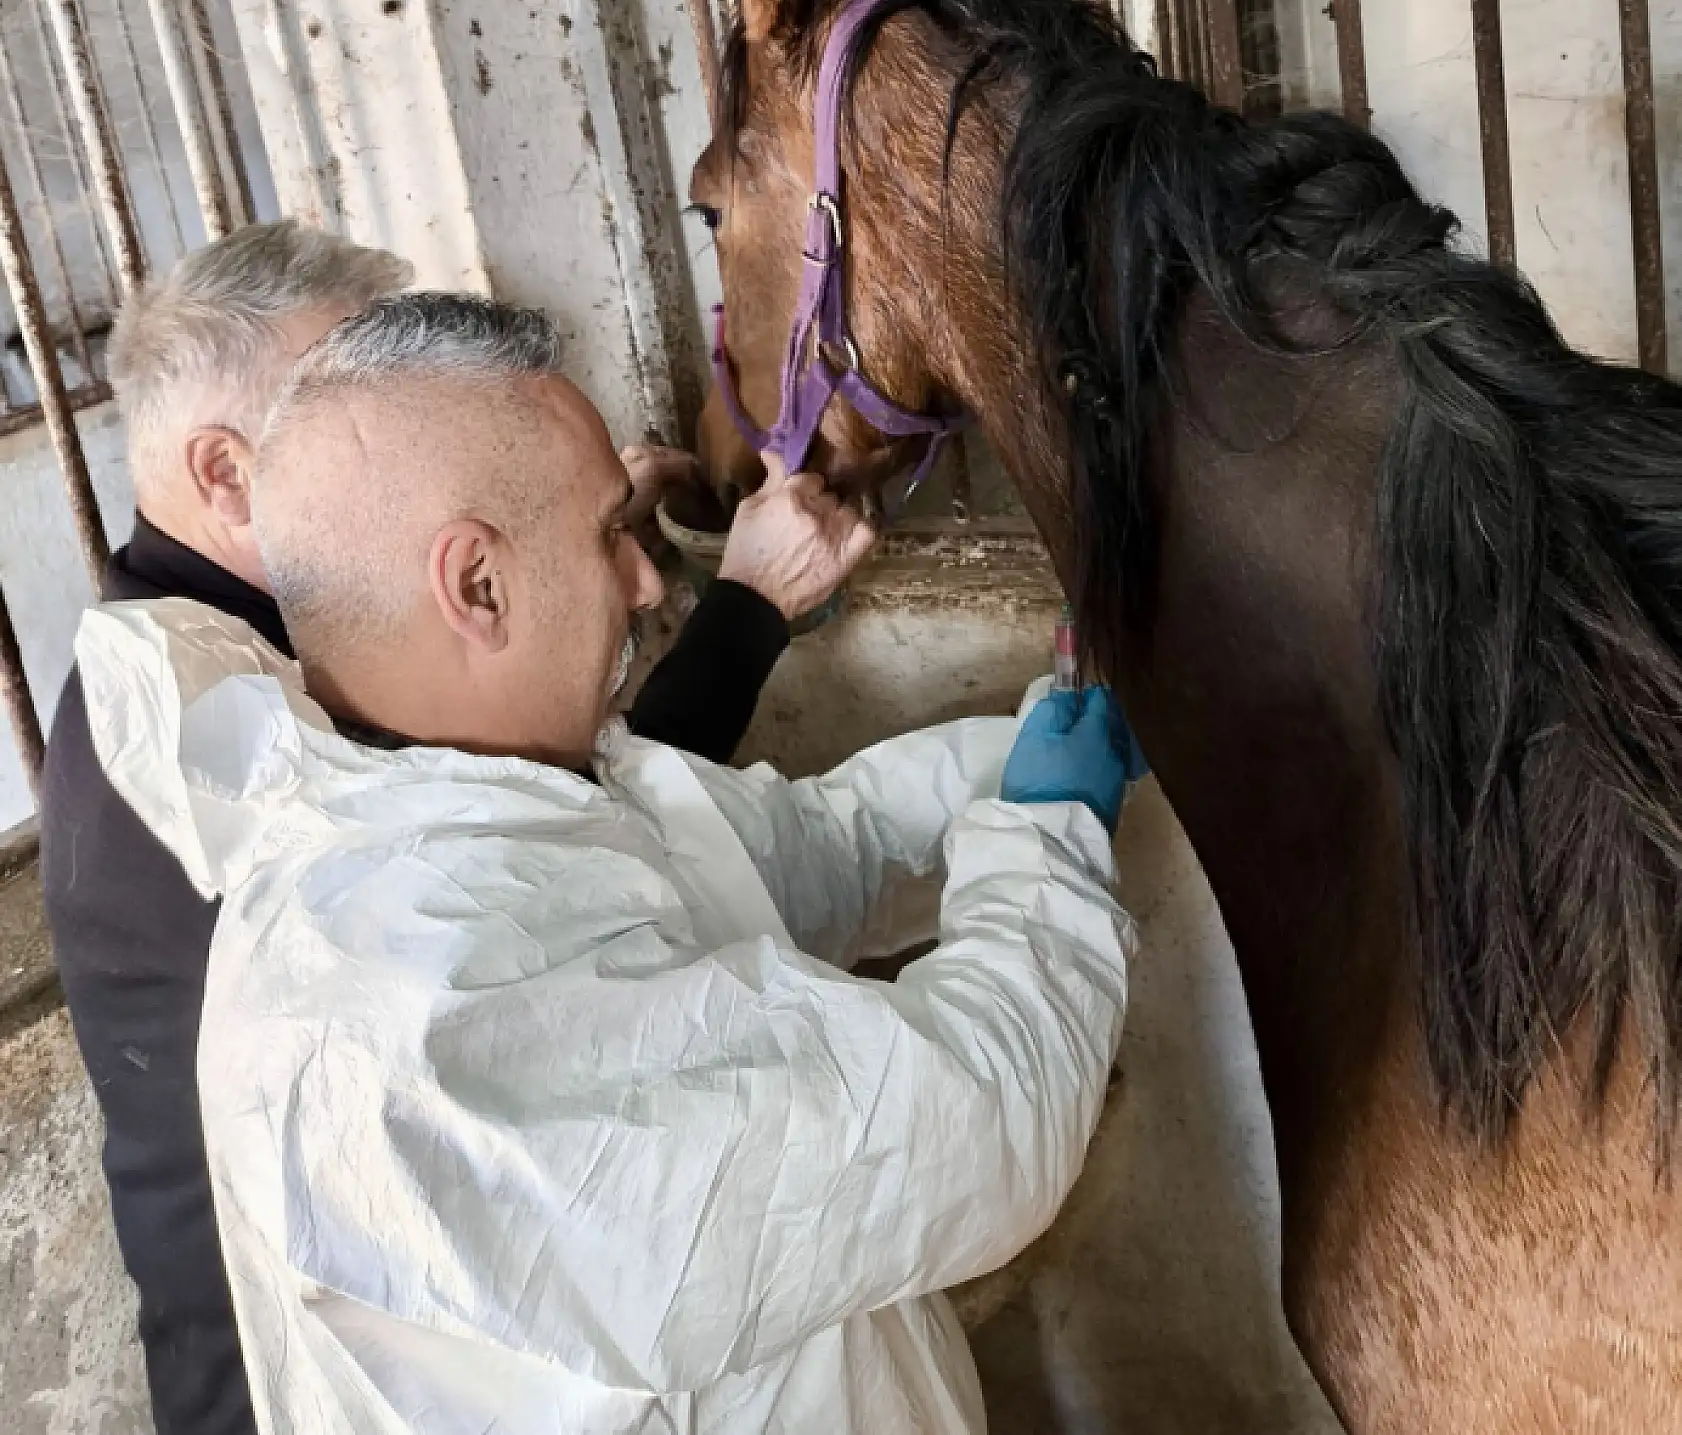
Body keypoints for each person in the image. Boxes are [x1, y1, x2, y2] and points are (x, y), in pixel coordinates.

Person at [73, 291, 1140, 1435]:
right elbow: (973, 1120)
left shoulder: (493, 793)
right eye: (607, 534)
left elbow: (797, 850)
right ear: (475, 583)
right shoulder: (420, 1005)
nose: (645, 582)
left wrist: (1027, 749)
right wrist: (1045, 832)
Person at [38, 232, 855, 1435]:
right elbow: (556, 831)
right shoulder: (206, 720)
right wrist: (739, 608)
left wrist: (551, 501)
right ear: (224, 473)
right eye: (352, 390)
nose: (404, 412)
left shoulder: (205, 639)